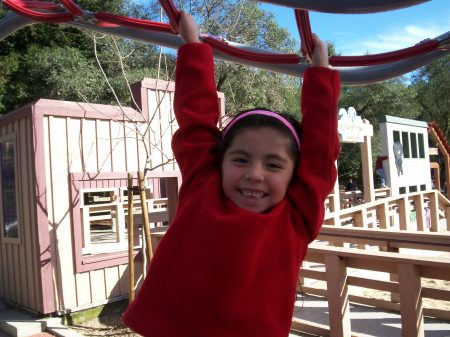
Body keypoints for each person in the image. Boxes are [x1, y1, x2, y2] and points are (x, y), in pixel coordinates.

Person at [123, 11, 340, 337]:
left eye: (273, 165)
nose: (255, 174)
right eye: (240, 160)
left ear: (296, 173)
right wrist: (193, 46)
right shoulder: (203, 184)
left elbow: (321, 151)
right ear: (218, 161)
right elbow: (196, 119)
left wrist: (321, 73)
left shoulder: (296, 215)